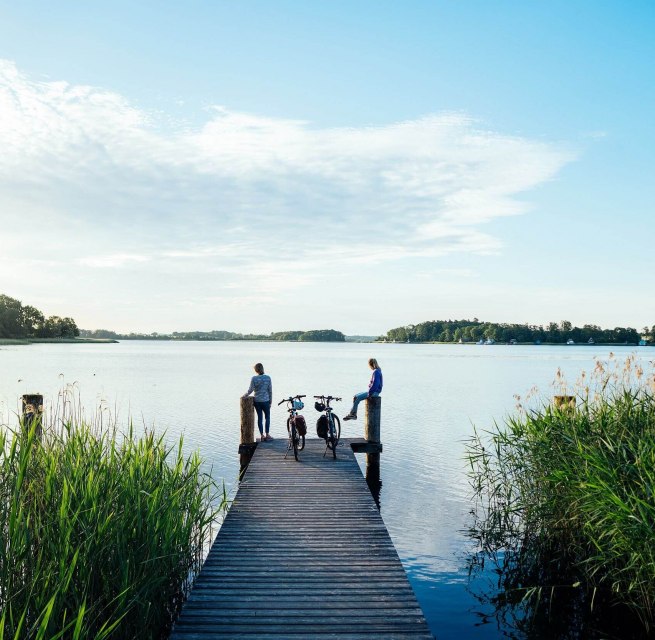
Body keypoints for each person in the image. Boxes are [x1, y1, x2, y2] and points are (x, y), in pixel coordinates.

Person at [243, 362, 273, 441]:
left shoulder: (254, 378)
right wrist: (270, 401)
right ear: (262, 369)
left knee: (260, 418)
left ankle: (262, 435)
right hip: (266, 401)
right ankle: (267, 434)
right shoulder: (268, 378)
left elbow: (250, 390)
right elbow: (270, 391)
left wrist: (244, 395)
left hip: (257, 401)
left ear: (256, 370)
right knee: (267, 417)